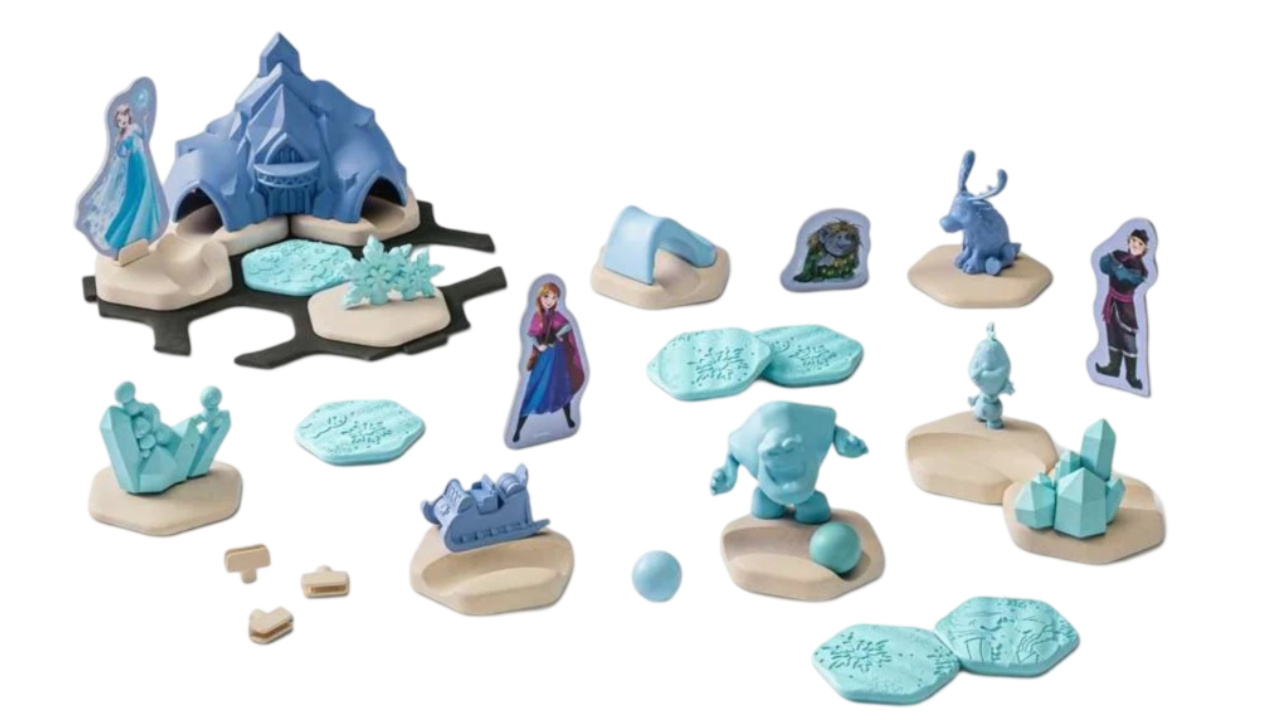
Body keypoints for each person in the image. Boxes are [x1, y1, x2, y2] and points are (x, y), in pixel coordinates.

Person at [79, 103, 165, 253]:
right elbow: (121, 154)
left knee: (144, 194)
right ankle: (117, 234)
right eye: (119, 120)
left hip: (142, 163)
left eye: (124, 117)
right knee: (132, 198)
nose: (122, 121)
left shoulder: (134, 128)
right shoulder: (121, 136)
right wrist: (123, 148)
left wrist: (146, 122)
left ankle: (142, 227)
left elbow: (144, 137)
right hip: (133, 167)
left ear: (128, 116)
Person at [512, 282, 585, 443]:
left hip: (558, 357)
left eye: (554, 297)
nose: (550, 300)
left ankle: (568, 419)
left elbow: (567, 327)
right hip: (543, 358)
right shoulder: (536, 317)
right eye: (546, 296)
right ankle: (517, 430)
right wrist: (539, 345)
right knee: (534, 389)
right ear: (540, 297)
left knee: (562, 387)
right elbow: (532, 334)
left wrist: (558, 335)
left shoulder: (557, 316)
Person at [1094, 228, 1150, 389]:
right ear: (1129, 240)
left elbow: (1127, 279)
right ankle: (1113, 367)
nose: (1135, 244)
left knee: (1128, 339)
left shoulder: (1141, 268)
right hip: (1111, 303)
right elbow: (1103, 265)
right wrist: (1114, 265)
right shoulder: (1118, 254)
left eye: (1140, 243)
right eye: (1133, 240)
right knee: (1112, 334)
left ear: (1144, 249)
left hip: (1126, 308)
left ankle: (1131, 375)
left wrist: (1117, 268)